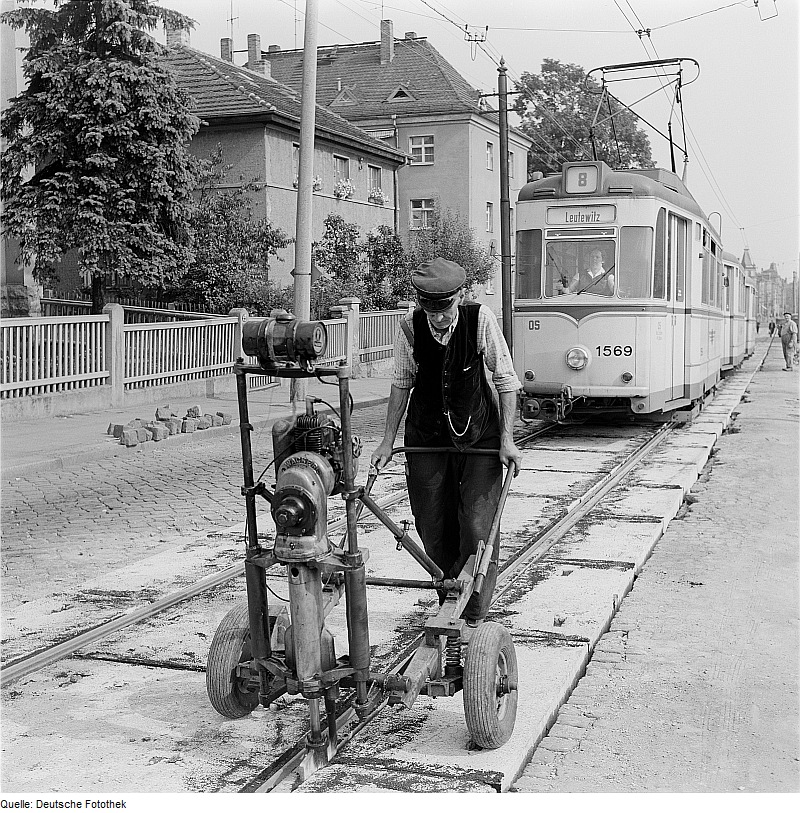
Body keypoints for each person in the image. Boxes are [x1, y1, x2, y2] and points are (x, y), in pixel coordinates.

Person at [370, 257, 523, 626]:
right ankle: (448, 596)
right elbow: (402, 382)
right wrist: (386, 442)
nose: (438, 318)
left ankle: (473, 612)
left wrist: (508, 439)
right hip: (427, 436)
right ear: (420, 303)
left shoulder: (480, 319)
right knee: (431, 525)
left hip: (480, 437)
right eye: (430, 310)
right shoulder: (409, 325)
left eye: (445, 309)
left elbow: (506, 380)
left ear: (460, 296)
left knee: (475, 523)